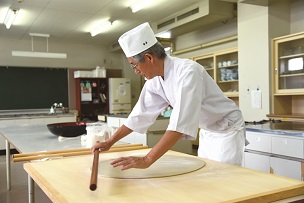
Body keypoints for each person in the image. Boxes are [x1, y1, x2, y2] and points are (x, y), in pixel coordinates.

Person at [91, 22, 246, 170]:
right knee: (208, 174)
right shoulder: (154, 81)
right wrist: (110, 142)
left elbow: (179, 124)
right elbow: (139, 115)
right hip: (207, 130)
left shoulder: (188, 72)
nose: (136, 71)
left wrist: (147, 159)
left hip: (227, 128)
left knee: (225, 176)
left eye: (134, 65)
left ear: (149, 58)